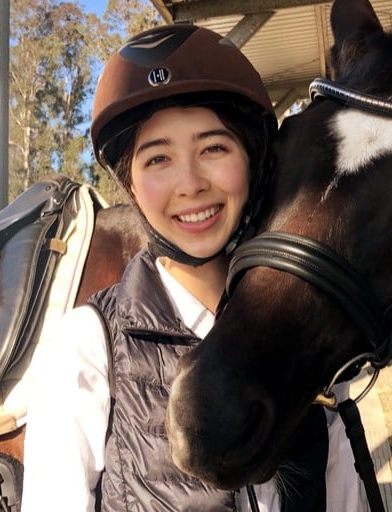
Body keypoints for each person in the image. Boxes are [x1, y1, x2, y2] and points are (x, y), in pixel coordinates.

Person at [21, 23, 365, 512]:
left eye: (214, 148)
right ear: (132, 185)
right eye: (157, 159)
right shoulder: (87, 349)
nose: (189, 184)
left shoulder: (305, 337)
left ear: (252, 162)